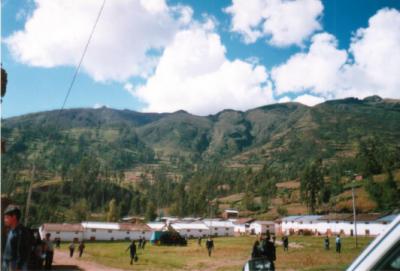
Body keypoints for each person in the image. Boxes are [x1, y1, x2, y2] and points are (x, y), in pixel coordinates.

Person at [2, 205, 32, 271]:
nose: (4, 220)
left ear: (14, 217)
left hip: (14, 265)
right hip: (7, 263)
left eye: (7, 217)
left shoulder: (22, 232)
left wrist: (18, 267)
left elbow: (24, 252)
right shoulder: (11, 230)